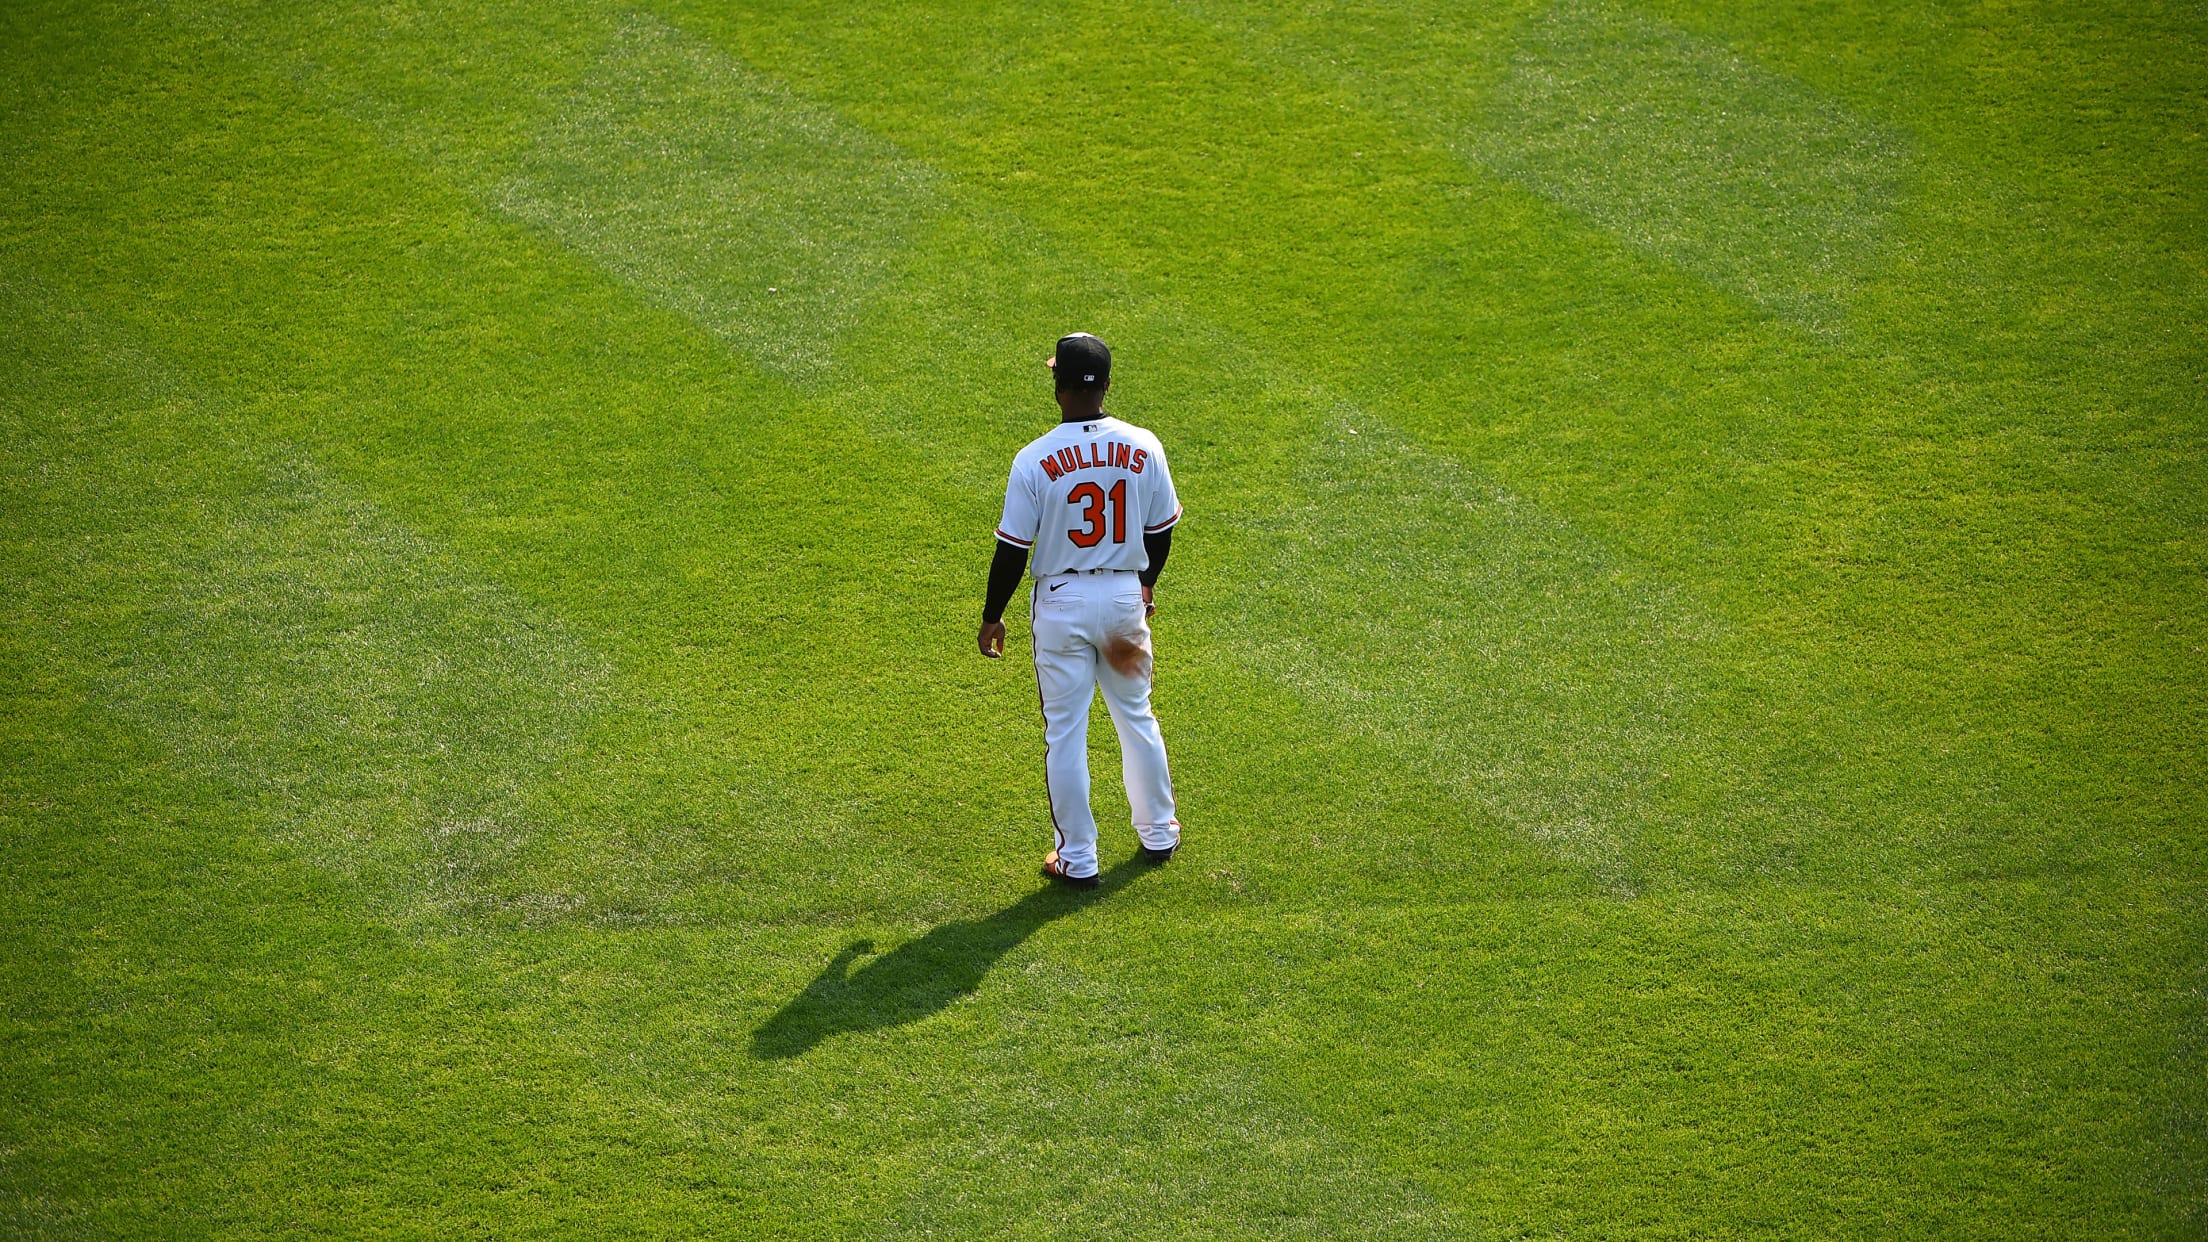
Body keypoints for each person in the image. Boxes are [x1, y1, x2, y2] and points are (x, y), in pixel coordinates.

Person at [977, 332, 1183, 888]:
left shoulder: (1035, 458)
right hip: (1121, 600)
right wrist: (1144, 585)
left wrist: (993, 613)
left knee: (1065, 732)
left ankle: (1079, 858)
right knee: (1136, 717)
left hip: (1062, 605)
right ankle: (1159, 833)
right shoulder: (1144, 445)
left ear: (1058, 388)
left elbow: (1012, 549)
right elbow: (1161, 530)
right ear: (1107, 384)